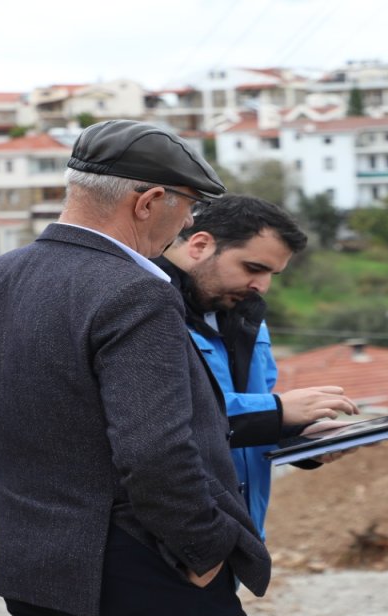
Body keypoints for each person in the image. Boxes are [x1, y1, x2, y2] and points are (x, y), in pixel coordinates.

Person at [0, 120, 271, 616]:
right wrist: (203, 547)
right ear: (149, 201)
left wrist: (37, 511)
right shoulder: (135, 292)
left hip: (35, 566)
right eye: (187, 209)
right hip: (141, 574)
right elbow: (155, 450)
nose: (184, 227)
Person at [152, 195, 358, 536]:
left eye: (271, 274)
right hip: (177, 542)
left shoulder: (246, 316)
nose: (262, 286)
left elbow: (242, 422)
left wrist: (300, 441)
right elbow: (169, 419)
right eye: (254, 268)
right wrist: (277, 412)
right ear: (200, 245)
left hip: (237, 536)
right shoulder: (143, 312)